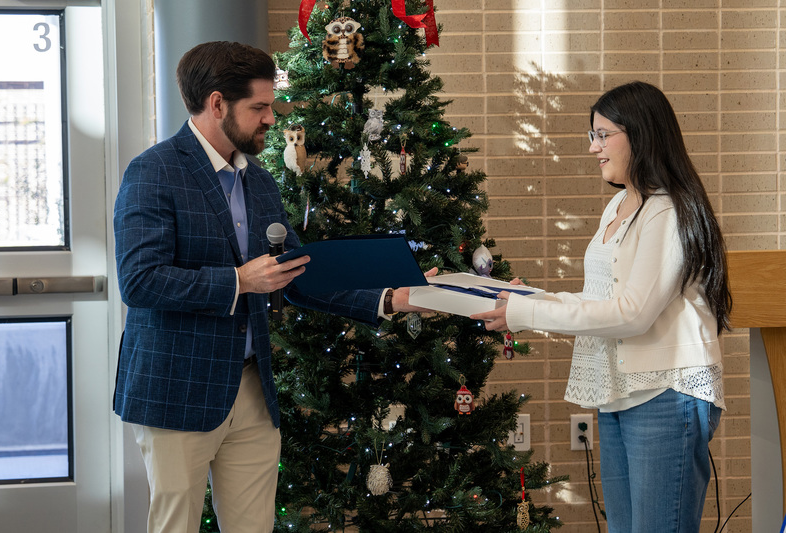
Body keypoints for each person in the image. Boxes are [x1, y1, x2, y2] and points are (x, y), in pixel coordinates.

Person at [113, 41, 432, 533]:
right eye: (259, 107)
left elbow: (298, 273)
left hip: (252, 390)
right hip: (178, 388)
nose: (270, 119)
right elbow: (140, 281)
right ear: (217, 104)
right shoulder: (153, 171)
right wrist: (240, 281)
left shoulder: (259, 182)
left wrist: (391, 298)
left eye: (271, 106)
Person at [472, 81, 732, 532]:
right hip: (618, 392)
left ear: (641, 134)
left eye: (603, 134)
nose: (593, 147)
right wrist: (528, 300)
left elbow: (631, 313)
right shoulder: (618, 204)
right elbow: (600, 302)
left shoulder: (667, 211)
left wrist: (526, 313)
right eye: (592, 135)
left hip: (665, 394)